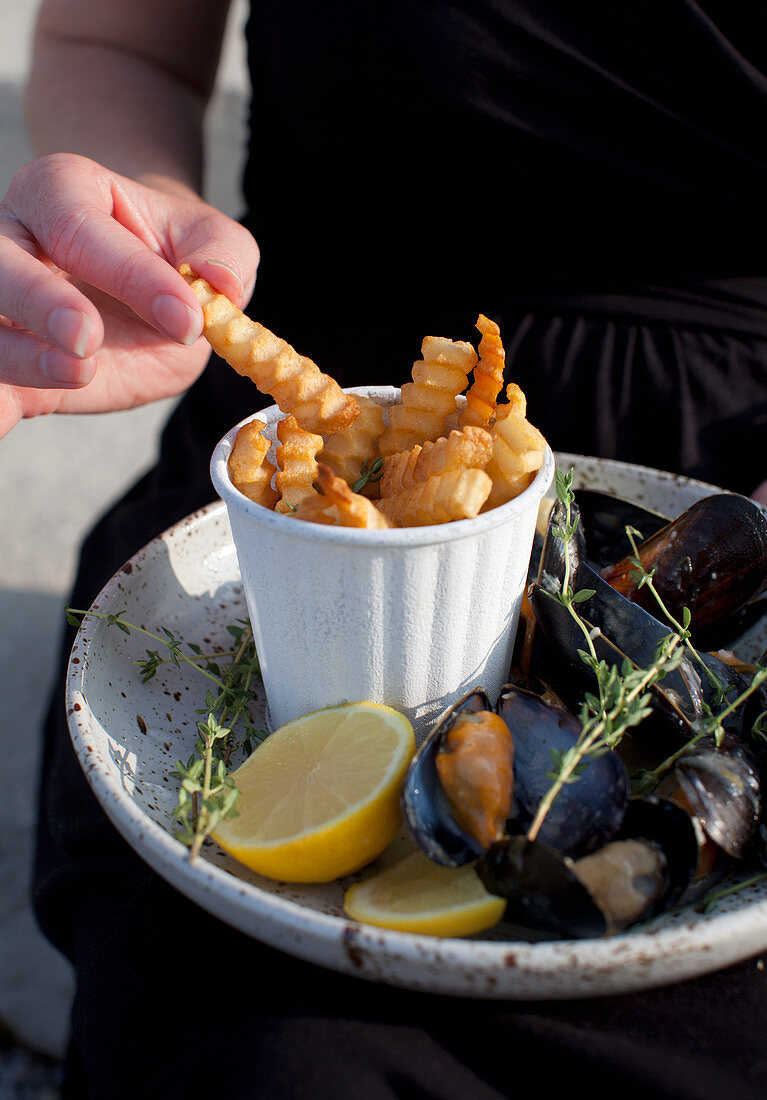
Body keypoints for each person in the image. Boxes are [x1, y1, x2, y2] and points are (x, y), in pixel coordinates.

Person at [4, 0, 767, 1095]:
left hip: (728, 486)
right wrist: (139, 234)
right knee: (262, 1054)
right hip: (288, 484)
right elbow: (114, 40)